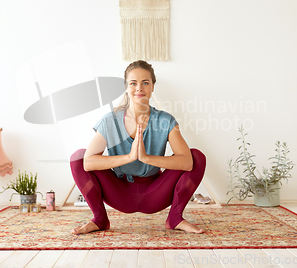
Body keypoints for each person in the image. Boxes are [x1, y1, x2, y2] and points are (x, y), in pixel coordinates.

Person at [70, 60, 206, 234]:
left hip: (155, 194)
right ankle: (100, 219)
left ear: (152, 87)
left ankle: (175, 218)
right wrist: (129, 157)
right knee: (78, 157)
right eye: (133, 83)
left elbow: (187, 163)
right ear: (126, 87)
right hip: (119, 193)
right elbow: (87, 163)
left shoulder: (166, 121)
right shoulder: (110, 120)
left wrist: (146, 158)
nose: (139, 88)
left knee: (196, 156)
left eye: (145, 83)